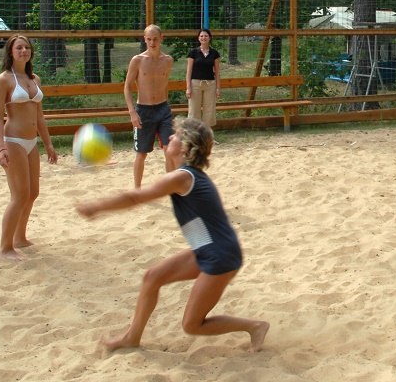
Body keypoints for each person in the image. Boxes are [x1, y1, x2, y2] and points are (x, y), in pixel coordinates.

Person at [76, 118, 270, 353]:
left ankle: (255, 326)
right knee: (152, 277)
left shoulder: (183, 178)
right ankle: (131, 337)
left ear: (187, 148)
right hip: (207, 248)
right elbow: (167, 172)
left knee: (192, 325)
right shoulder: (185, 174)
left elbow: (135, 197)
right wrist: (170, 154)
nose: (169, 137)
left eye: (176, 135)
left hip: (220, 256)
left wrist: (97, 207)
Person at [0, 35, 58, 259]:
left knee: (33, 193)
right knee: (19, 195)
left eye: (26, 47)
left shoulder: (34, 79)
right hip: (14, 141)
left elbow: (39, 117)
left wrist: (48, 144)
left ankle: (20, 237)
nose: (23, 51)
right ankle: (5, 247)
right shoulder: (4, 80)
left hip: (32, 143)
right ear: (11, 52)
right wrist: (1, 147)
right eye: (19, 47)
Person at [124, 24, 175, 188]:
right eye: (149, 39)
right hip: (144, 110)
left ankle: (171, 187)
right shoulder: (138, 60)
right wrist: (132, 112)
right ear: (144, 39)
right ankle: (137, 189)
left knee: (170, 149)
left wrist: (167, 107)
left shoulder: (167, 61)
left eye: (155, 39)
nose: (152, 42)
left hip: (163, 109)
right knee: (141, 154)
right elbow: (127, 87)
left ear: (161, 39)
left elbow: (165, 84)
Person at [186, 28, 221, 127]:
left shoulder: (214, 53)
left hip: (210, 85)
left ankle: (207, 136)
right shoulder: (193, 53)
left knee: (209, 111)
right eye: (201, 36)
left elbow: (217, 72)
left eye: (206, 36)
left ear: (210, 38)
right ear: (198, 38)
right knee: (194, 110)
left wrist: (218, 88)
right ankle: (193, 135)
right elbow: (188, 72)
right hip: (195, 84)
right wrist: (188, 88)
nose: (203, 38)